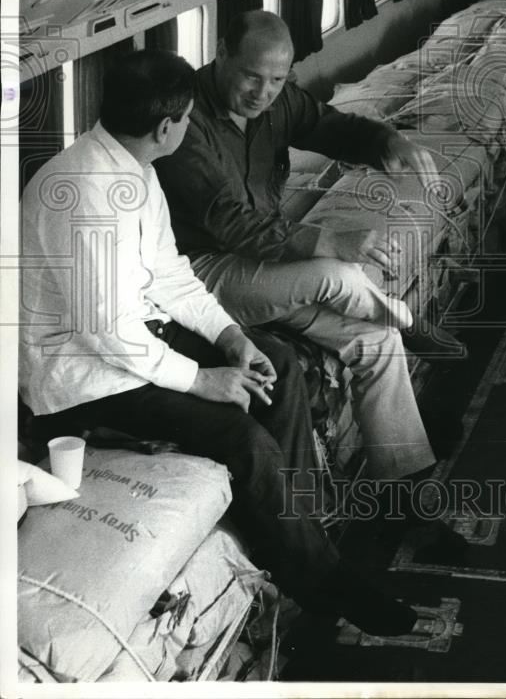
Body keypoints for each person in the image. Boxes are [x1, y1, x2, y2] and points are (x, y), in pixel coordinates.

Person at [19, 49, 418, 636]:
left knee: (275, 363)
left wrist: (230, 337)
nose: (187, 128)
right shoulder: (82, 194)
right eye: (186, 120)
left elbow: (172, 274)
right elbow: (103, 333)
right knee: (241, 434)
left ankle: (306, 532)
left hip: (135, 338)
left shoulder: (134, 169)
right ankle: (322, 584)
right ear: (167, 128)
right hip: (83, 375)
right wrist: (202, 379)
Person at [155, 10, 462, 483]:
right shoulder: (188, 121)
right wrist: (331, 240)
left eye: (277, 79)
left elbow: (329, 125)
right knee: (333, 273)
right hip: (201, 273)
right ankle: (410, 319)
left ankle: (407, 483)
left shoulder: (277, 103)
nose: (264, 93)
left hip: (262, 269)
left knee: (378, 342)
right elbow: (232, 222)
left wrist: (387, 141)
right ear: (221, 54)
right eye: (251, 77)